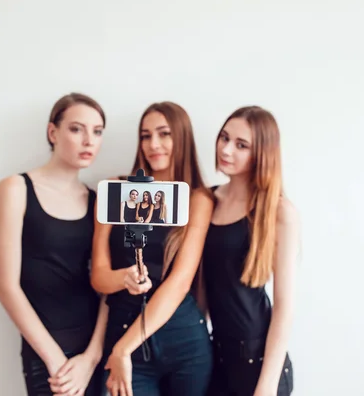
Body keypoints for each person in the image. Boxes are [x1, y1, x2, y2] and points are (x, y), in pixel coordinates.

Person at [91, 101, 214, 396]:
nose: (153, 144)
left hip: (184, 341)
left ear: (182, 137)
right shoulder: (115, 190)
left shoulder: (197, 199)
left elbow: (180, 283)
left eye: (164, 134)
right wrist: (124, 278)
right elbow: (98, 275)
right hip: (124, 329)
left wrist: (122, 349)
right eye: (145, 136)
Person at [0, 93, 109, 396]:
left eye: (97, 131)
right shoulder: (16, 189)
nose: (89, 141)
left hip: (92, 349)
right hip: (44, 349)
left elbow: (105, 287)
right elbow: (6, 286)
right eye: (77, 129)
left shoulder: (99, 201)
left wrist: (91, 358)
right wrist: (55, 360)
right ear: (53, 132)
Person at [203, 106, 301, 396]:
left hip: (258, 359)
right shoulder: (209, 199)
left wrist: (267, 385)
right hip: (216, 354)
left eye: (241, 145)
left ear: (262, 153)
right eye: (224, 138)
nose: (226, 149)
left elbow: (284, 306)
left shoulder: (278, 211)